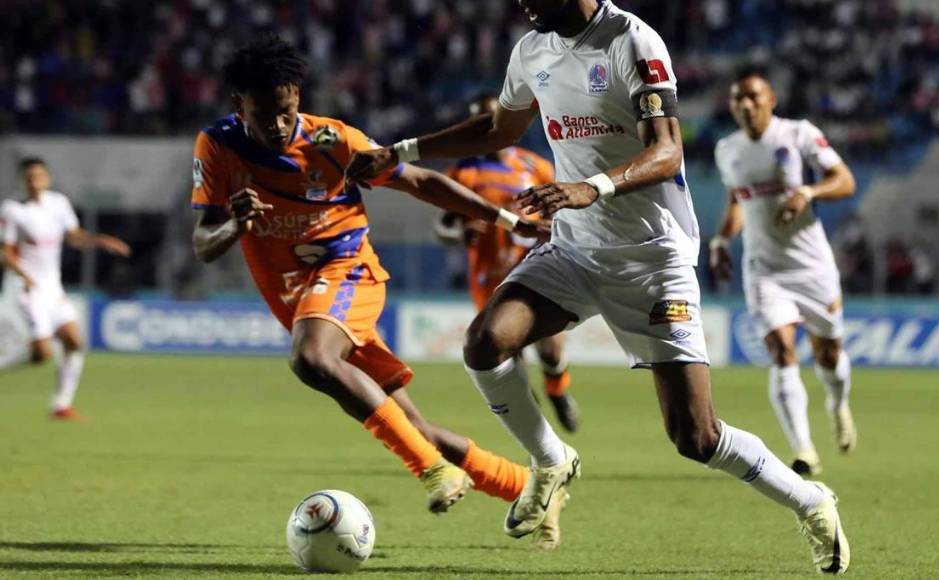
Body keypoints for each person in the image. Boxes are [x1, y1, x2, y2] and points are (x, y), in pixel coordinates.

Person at [346, 0, 850, 574]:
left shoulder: (632, 41)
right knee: (485, 342)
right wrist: (401, 152)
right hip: (575, 249)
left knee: (695, 435)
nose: (522, 3)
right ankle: (550, 458)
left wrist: (593, 187)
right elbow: (496, 128)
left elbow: (667, 150)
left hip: (653, 258)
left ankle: (811, 501)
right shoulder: (531, 49)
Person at [190, 34, 566, 549]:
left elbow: (420, 182)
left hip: (347, 272)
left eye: (286, 110)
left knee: (311, 358)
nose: (278, 126)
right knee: (411, 425)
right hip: (298, 297)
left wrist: (504, 218)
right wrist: (233, 225)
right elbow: (204, 243)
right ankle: (523, 485)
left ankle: (432, 470)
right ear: (239, 105)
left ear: (297, 96)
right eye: (264, 114)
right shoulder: (217, 146)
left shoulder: (333, 141)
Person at [711, 68, 858, 476]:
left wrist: (808, 192)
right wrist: (721, 241)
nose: (745, 105)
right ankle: (804, 449)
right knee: (782, 349)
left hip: (812, 266)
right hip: (763, 268)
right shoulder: (728, 149)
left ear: (771, 99)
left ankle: (837, 404)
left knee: (828, 355)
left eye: (753, 97)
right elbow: (737, 203)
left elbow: (845, 180)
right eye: (738, 98)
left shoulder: (798, 135)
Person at [438, 94, 581, 433]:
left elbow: (564, 209)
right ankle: (536, 423)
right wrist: (459, 230)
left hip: (535, 266)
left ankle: (558, 391)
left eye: (491, 119)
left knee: (552, 345)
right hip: (489, 276)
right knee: (507, 354)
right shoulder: (464, 171)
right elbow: (442, 225)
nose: (486, 128)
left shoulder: (535, 166)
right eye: (478, 121)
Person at [0, 157, 132, 420]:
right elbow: (6, 254)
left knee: (74, 341)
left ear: (47, 178)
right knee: (43, 354)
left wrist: (100, 240)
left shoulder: (58, 203)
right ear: (22, 181)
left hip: (52, 288)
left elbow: (74, 236)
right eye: (29, 178)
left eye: (38, 177)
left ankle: (61, 405)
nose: (34, 182)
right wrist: (23, 275)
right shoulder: (13, 209)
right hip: (27, 288)